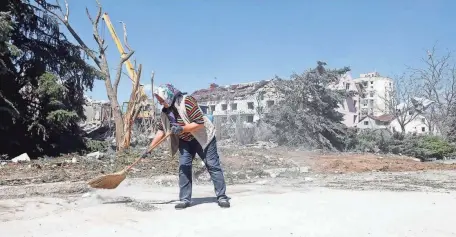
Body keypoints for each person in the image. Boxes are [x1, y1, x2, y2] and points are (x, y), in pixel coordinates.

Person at [143, 84, 230, 209]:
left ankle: (222, 196)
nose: (161, 102)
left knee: (212, 165)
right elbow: (161, 131)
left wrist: (182, 128)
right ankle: (185, 199)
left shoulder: (187, 102)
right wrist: (150, 148)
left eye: (161, 99)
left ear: (168, 95)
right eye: (159, 100)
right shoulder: (165, 111)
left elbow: (199, 123)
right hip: (185, 141)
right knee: (184, 167)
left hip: (203, 138)